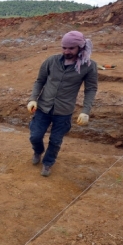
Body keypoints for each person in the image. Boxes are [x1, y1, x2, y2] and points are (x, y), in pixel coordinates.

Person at [26, 31, 98, 177]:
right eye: (64, 48)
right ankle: (38, 151)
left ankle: (48, 163)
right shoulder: (51, 61)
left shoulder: (89, 66)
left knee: (56, 140)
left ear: (80, 47)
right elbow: (40, 81)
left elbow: (91, 89)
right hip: (43, 107)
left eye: (71, 48)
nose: (66, 51)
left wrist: (85, 111)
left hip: (64, 111)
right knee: (35, 136)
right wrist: (33, 98)